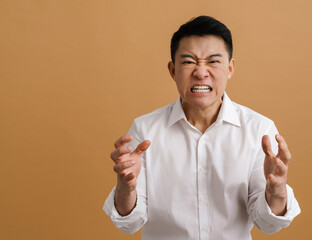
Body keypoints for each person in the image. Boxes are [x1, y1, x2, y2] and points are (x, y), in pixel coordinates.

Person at [103, 16, 300, 240]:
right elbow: (129, 223)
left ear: (230, 68)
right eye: (188, 62)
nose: (200, 72)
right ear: (172, 70)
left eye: (213, 61)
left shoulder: (259, 129)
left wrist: (277, 191)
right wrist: (126, 189)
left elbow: (268, 224)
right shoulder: (145, 129)